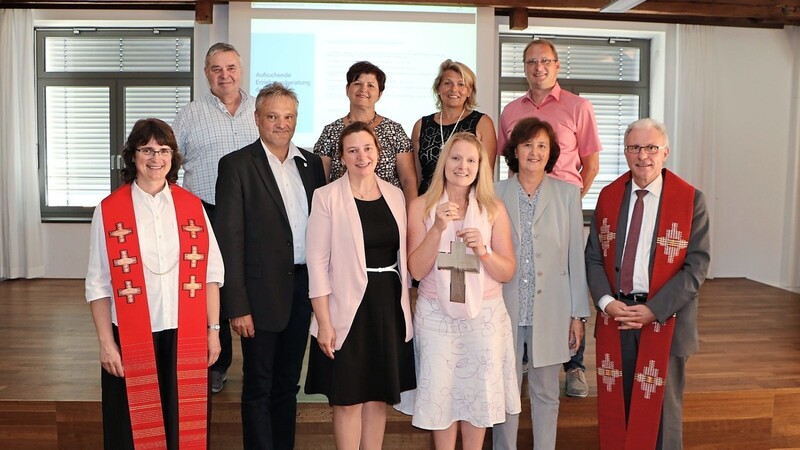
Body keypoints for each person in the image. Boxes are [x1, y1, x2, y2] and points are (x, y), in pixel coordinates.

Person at [85, 118, 224, 449]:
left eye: (163, 150)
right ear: (132, 156)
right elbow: (98, 285)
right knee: (131, 430)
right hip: (131, 336)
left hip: (184, 335)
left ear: (173, 156)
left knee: (182, 427)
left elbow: (210, 275)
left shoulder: (193, 208)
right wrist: (107, 344)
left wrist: (214, 330)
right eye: (146, 149)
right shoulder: (109, 210)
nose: (155, 157)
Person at [214, 82, 326, 450]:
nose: (281, 124)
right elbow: (229, 240)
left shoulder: (311, 166)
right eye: (273, 116)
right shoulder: (236, 166)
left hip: (303, 289)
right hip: (259, 296)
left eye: (288, 116)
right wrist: (238, 305)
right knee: (259, 384)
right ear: (257, 118)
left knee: (287, 385)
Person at [585, 118, 710, 449]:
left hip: (666, 320)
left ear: (665, 152)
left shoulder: (690, 200)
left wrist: (654, 310)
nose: (643, 156)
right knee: (618, 411)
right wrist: (605, 302)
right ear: (625, 153)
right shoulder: (609, 197)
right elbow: (594, 258)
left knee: (663, 421)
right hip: (617, 317)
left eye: (651, 147)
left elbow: (696, 267)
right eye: (635, 148)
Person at [397, 132, 520, 450]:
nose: (462, 166)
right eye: (455, 158)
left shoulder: (493, 209)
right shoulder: (422, 207)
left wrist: (484, 251)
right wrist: (437, 228)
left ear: (481, 167)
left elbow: (507, 271)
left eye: (471, 160)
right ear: (443, 162)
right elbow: (416, 270)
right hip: (437, 316)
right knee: (442, 394)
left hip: (484, 317)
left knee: (477, 395)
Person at [497, 38, 603, 397]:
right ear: (524, 67)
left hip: (560, 209)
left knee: (568, 276)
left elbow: (590, 163)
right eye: (530, 62)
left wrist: (567, 203)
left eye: (545, 61)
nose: (538, 68)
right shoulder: (510, 111)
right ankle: (525, 357)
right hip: (520, 203)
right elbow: (504, 158)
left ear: (557, 65)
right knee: (524, 277)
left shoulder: (578, 106)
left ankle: (574, 366)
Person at [305, 121, 416, 450]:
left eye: (367, 148)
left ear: (378, 152)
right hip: (345, 308)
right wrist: (324, 323)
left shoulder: (396, 195)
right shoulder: (326, 197)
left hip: (388, 306)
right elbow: (317, 263)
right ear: (342, 156)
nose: (361, 155)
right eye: (352, 150)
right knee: (348, 399)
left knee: (377, 397)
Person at [492, 118, 590, 450]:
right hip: (504, 306)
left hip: (552, 309)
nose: (534, 152)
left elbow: (575, 256)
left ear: (551, 154)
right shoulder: (494, 193)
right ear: (514, 150)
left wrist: (578, 315)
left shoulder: (567, 194)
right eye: (527, 145)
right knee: (505, 391)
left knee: (546, 392)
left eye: (542, 146)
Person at [172, 42, 258, 393]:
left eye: (231, 68)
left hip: (255, 214)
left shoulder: (261, 110)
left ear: (241, 70)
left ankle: (256, 362)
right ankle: (215, 364)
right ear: (207, 74)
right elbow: (169, 164)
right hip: (205, 212)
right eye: (216, 69)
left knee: (253, 286)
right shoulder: (190, 114)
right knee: (212, 288)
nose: (225, 75)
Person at [313, 61, 417, 203]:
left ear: (379, 94)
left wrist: (409, 218)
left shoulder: (395, 130)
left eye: (370, 85)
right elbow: (320, 179)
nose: (363, 89)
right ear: (347, 89)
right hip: (341, 209)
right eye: (357, 83)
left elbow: (408, 181)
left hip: (388, 208)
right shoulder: (330, 131)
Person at [413, 59, 497, 195]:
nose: (454, 89)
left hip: (467, 205)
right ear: (438, 88)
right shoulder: (421, 125)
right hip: (426, 205)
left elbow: (486, 176)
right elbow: (415, 177)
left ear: (469, 91)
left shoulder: (482, 123)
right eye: (448, 83)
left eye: (461, 84)